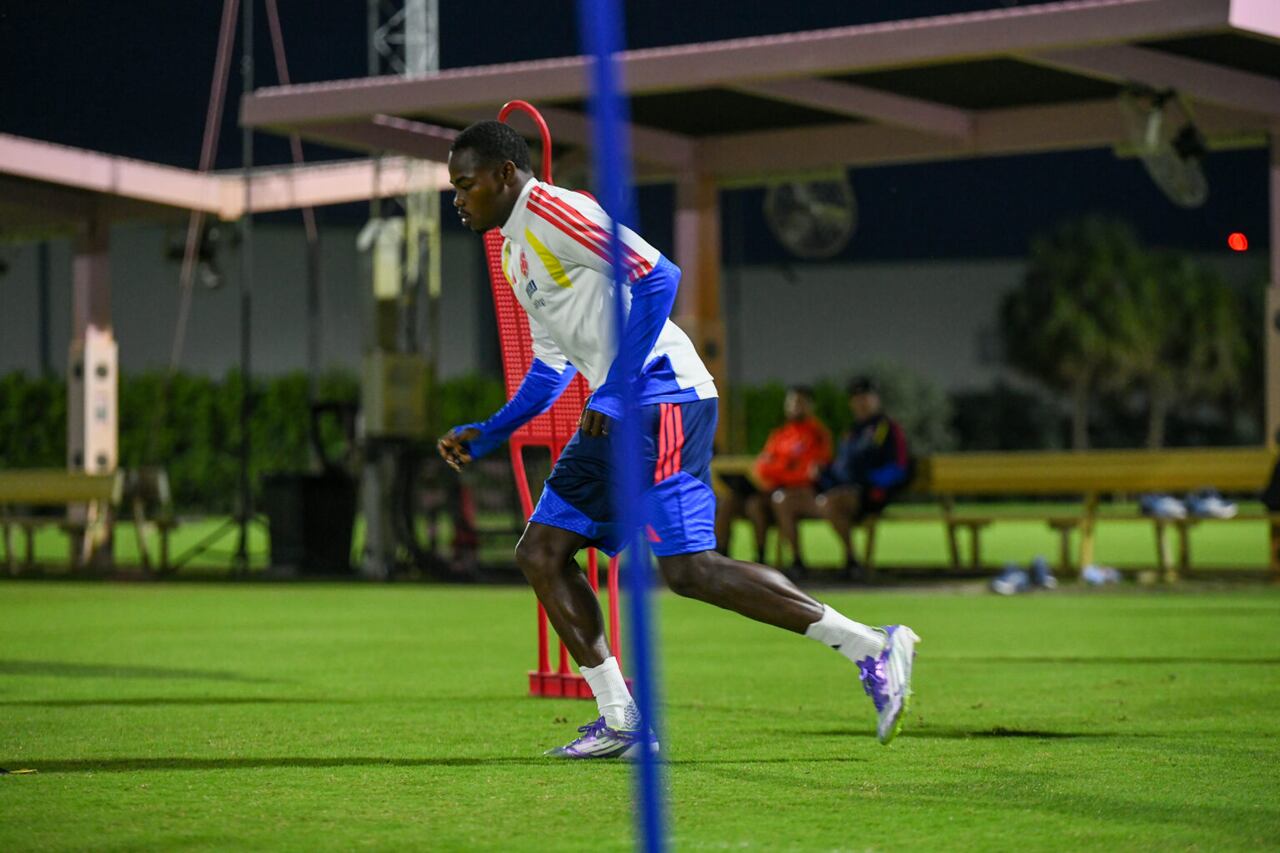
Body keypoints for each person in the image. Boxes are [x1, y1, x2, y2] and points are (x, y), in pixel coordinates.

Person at [436, 121, 919, 758]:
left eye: (465, 184)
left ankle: (871, 646)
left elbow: (659, 275)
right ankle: (623, 723)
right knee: (541, 553)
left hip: (662, 397)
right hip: (617, 407)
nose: (458, 199)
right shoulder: (512, 250)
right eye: (453, 188)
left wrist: (613, 389)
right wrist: (492, 430)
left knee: (689, 570)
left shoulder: (555, 209)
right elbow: (551, 366)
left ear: (503, 174)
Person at [774, 376, 912, 578]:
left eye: (866, 397)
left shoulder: (887, 429)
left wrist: (871, 482)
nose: (861, 402)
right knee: (784, 501)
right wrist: (824, 473)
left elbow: (899, 467)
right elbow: (842, 469)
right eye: (857, 398)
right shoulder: (852, 432)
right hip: (836, 492)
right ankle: (797, 563)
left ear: (876, 399)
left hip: (868, 495)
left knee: (829, 502)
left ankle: (852, 561)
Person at [714, 386, 831, 570]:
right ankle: (721, 556)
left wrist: (777, 470)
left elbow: (808, 472)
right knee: (732, 501)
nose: (794, 407)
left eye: (799, 402)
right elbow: (762, 467)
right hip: (771, 489)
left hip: (798, 493)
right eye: (791, 402)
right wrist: (783, 468)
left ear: (810, 406)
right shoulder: (780, 434)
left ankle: (793, 561)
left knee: (771, 503)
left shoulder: (816, 434)